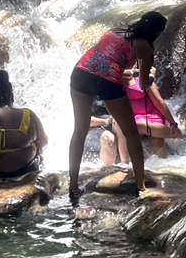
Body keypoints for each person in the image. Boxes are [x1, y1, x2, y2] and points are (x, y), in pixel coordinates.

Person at [68, 11, 167, 201]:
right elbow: (145, 83)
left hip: (81, 73)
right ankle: (141, 187)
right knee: (130, 132)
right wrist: (150, 76)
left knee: (79, 131)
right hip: (106, 81)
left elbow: (108, 59)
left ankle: (73, 187)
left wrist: (131, 73)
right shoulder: (146, 48)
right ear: (156, 32)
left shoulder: (116, 30)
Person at [103, 67, 183, 166]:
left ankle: (162, 169)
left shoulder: (142, 78)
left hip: (151, 116)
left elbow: (158, 101)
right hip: (130, 119)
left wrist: (172, 122)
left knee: (156, 139)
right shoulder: (113, 80)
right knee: (133, 124)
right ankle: (126, 165)